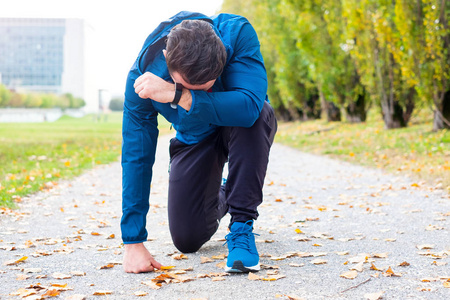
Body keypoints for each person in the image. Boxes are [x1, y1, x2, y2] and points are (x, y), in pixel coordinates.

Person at [121, 11, 277, 274]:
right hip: (195, 137)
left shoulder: (236, 33)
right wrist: (132, 240)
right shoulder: (143, 77)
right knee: (187, 238)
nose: (199, 91)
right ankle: (226, 192)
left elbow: (249, 105)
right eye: (188, 85)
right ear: (169, 65)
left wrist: (178, 94)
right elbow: (137, 155)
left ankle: (241, 230)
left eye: (207, 85)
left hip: (240, 124)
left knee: (259, 112)